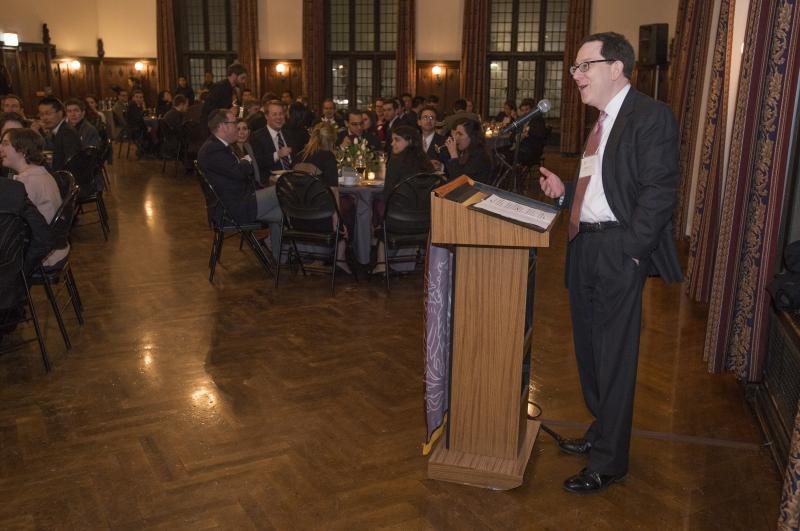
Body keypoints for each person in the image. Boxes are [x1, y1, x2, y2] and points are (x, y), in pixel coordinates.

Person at [538, 32, 683, 494]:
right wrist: (565, 196)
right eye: (575, 68)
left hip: (619, 250)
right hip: (585, 247)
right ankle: (600, 433)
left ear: (616, 67)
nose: (576, 75)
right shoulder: (601, 121)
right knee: (589, 353)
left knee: (614, 357)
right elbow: (600, 186)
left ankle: (610, 461)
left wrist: (633, 250)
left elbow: (661, 192)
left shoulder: (650, 116)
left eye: (584, 66)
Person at [197, 109, 283, 261]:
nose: (237, 126)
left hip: (238, 201)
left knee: (282, 213)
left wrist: (245, 163)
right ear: (223, 126)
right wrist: (245, 162)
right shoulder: (213, 149)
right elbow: (240, 172)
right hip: (232, 209)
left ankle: (280, 257)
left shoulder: (218, 146)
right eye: (234, 122)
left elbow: (240, 172)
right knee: (283, 189)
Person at [0, 128, 68, 267]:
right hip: (54, 247)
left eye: (5, 144)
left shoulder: (27, 181)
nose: (0, 147)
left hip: (44, 255)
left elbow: (13, 227)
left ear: (22, 149)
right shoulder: (39, 173)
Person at [34, 96, 81, 171]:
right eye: (41, 114)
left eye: (48, 113)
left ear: (60, 113)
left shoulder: (67, 132)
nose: (44, 118)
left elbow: (72, 164)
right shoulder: (54, 131)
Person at [250, 101, 297, 174]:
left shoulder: (289, 134)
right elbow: (257, 162)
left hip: (293, 176)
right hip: (271, 180)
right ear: (266, 116)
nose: (278, 117)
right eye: (274, 114)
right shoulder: (257, 137)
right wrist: (277, 155)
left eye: (281, 114)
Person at [444, 117, 492, 183]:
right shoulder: (465, 150)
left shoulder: (480, 154)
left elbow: (460, 181)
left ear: (472, 137)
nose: (456, 138)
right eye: (456, 134)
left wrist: (453, 155)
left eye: (460, 134)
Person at [231, 118, 262, 187]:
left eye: (244, 129)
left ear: (249, 132)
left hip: (255, 187)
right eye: (238, 129)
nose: (242, 132)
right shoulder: (230, 150)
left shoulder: (248, 146)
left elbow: (256, 171)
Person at [417, 106, 447, 171]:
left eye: (432, 118)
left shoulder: (444, 142)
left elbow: (450, 166)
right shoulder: (413, 141)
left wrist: (441, 167)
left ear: (436, 122)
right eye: (425, 117)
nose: (428, 120)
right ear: (419, 122)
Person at [125, 89, 152, 157]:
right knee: (151, 129)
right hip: (133, 130)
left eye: (141, 97)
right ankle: (146, 151)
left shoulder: (136, 105)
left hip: (135, 127)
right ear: (133, 97)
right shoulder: (132, 105)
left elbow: (140, 119)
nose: (139, 99)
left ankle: (145, 150)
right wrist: (144, 109)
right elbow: (138, 119)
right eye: (137, 97)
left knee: (150, 128)